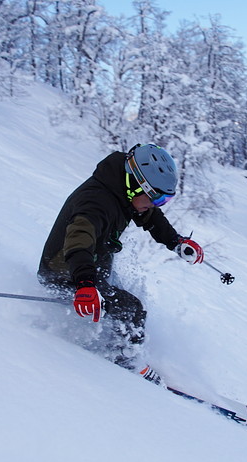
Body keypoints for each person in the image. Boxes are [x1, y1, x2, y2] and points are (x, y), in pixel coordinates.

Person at [38, 143, 203, 370]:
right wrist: (85, 284)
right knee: (131, 308)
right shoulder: (95, 202)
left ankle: (116, 348)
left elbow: (151, 217)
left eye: (163, 201)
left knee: (119, 293)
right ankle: (126, 364)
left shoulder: (122, 190)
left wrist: (176, 242)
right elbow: (78, 243)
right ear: (137, 185)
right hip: (66, 273)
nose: (156, 205)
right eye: (156, 199)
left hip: (91, 267)